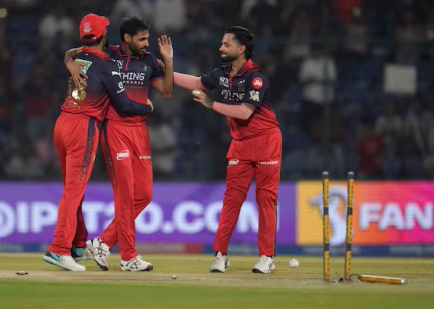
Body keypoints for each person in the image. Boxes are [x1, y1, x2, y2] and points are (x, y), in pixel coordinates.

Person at [43, 14, 154, 271]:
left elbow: (68, 54)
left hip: (63, 123)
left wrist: (69, 62)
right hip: (84, 126)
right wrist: (147, 107)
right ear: (104, 35)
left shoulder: (79, 57)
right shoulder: (107, 65)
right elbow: (125, 105)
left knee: (74, 189)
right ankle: (58, 248)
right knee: (74, 190)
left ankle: (78, 245)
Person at [65, 16, 174, 271]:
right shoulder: (108, 54)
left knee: (144, 195)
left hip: (140, 131)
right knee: (125, 193)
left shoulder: (150, 61)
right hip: (115, 129)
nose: (146, 43)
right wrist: (71, 65)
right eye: (142, 39)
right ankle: (128, 256)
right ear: (126, 38)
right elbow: (72, 53)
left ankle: (103, 241)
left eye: (147, 38)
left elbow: (167, 91)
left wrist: (168, 61)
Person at [172, 26, 281, 274]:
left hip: (266, 142)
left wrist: (212, 104)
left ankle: (267, 257)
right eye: (221, 43)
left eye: (226, 44)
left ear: (241, 49)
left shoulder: (256, 76)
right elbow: (196, 82)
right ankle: (220, 254)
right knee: (232, 200)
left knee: (266, 200)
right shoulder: (221, 74)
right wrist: (166, 71)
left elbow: (245, 112)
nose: (221, 47)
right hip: (240, 144)